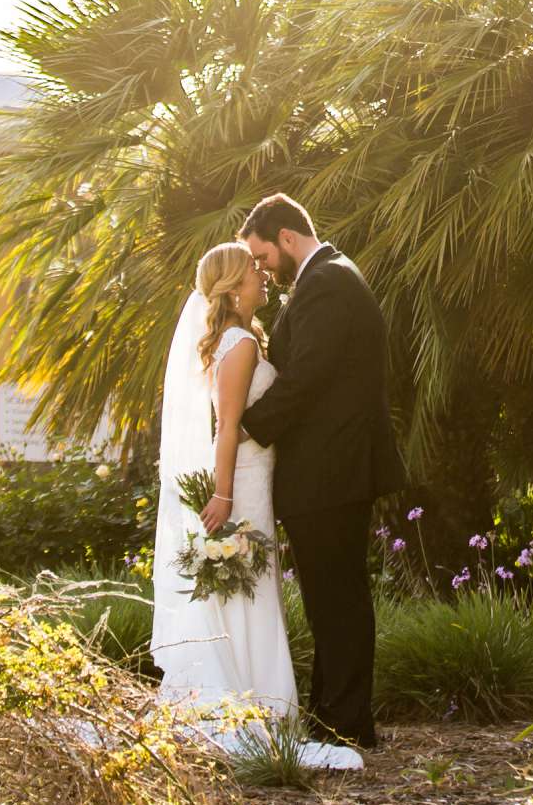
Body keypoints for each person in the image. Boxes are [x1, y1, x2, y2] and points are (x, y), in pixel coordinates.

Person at [150, 240, 361, 770]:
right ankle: (248, 706)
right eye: (252, 271)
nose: (262, 276)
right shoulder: (239, 343)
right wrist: (222, 495)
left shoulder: (233, 339)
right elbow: (227, 428)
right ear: (232, 285)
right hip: (241, 488)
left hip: (248, 482)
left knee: (243, 592)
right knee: (247, 592)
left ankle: (245, 701)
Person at [237, 192, 405, 752]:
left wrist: (242, 427)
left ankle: (345, 724)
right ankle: (332, 716)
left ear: (287, 238)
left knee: (337, 598)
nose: (261, 269)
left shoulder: (328, 282)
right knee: (332, 597)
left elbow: (304, 379)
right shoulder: (324, 279)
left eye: (262, 257)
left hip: (332, 471)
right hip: (329, 470)